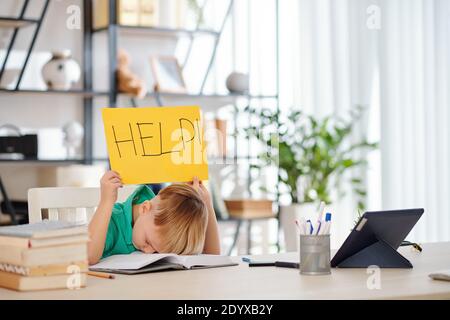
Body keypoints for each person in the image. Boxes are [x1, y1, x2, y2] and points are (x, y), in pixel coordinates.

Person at [87, 171, 220, 265]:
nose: (149, 252)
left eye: (157, 252)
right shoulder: (113, 220)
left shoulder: (161, 226)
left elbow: (212, 256)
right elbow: (88, 256)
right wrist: (106, 202)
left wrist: (206, 202)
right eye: (149, 242)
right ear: (144, 208)